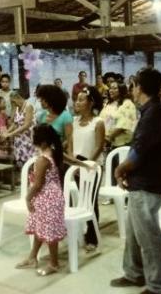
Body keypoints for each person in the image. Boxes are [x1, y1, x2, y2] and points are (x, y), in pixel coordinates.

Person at [110, 68, 161, 294]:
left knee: (148, 238)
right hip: (142, 182)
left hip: (149, 184)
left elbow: (140, 151)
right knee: (135, 233)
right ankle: (134, 273)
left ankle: (157, 286)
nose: (132, 90)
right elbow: (139, 149)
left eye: (134, 85)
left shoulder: (154, 113)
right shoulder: (150, 111)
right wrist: (127, 170)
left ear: (140, 87)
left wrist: (120, 169)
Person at [15, 124, 67, 276]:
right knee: (40, 227)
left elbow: (38, 184)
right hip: (53, 197)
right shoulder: (55, 152)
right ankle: (33, 257)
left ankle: (54, 263)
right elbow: (71, 160)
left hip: (47, 199)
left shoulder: (42, 160)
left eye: (34, 137)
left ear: (42, 142)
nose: (31, 139)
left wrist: (27, 197)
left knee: (49, 232)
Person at [68, 85, 105, 251]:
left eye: (82, 99)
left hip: (91, 166)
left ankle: (92, 237)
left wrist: (85, 165)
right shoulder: (74, 122)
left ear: (91, 103)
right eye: (77, 99)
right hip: (75, 165)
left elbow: (98, 147)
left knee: (90, 202)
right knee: (76, 199)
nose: (77, 102)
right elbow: (70, 144)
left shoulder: (98, 122)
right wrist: (71, 162)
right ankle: (75, 229)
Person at [99, 82, 137, 188]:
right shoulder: (108, 104)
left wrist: (108, 138)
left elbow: (123, 125)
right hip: (109, 142)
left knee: (122, 170)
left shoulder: (127, 104)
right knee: (111, 168)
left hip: (123, 143)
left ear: (122, 89)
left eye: (115, 88)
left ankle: (124, 194)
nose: (111, 90)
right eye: (110, 88)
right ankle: (112, 194)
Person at [3, 91, 35, 167]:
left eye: (13, 101)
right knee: (20, 161)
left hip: (29, 138)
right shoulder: (17, 108)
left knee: (29, 162)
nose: (13, 104)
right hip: (20, 138)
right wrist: (6, 132)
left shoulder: (28, 106)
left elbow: (26, 125)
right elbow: (15, 123)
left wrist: (11, 134)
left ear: (18, 98)